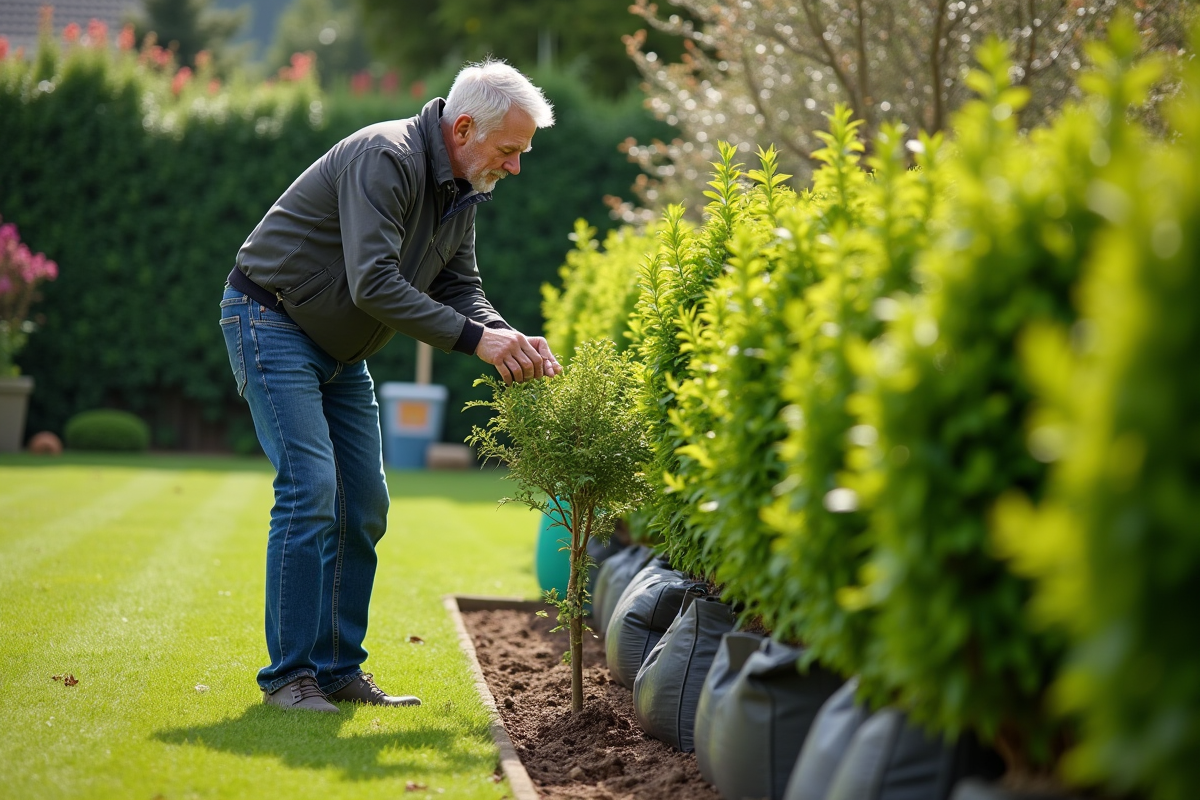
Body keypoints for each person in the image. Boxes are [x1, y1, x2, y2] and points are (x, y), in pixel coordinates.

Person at [218, 59, 562, 713]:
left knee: (366, 502)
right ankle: (289, 679)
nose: (516, 167)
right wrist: (475, 340)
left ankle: (337, 670)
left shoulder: (464, 188)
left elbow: (461, 287)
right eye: (510, 150)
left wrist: (505, 334)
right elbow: (372, 283)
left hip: (342, 353)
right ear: (464, 127)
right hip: (271, 319)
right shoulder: (387, 158)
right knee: (311, 487)